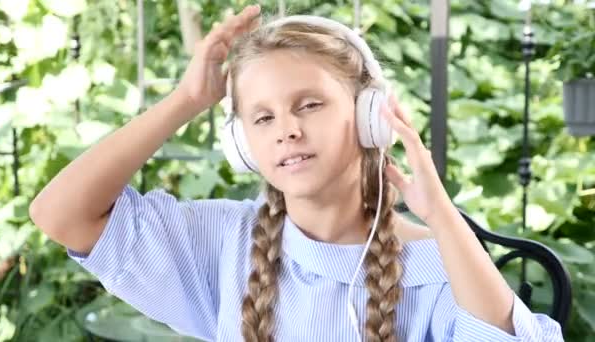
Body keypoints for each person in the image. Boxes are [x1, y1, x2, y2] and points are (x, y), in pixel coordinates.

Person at [29, 4, 564, 342]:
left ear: (369, 116)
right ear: (243, 144)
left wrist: (444, 218)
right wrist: (185, 101)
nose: (285, 129)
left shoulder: (438, 266)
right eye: (262, 117)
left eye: (309, 105)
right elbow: (60, 214)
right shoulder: (224, 242)